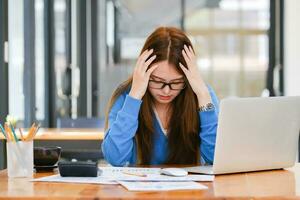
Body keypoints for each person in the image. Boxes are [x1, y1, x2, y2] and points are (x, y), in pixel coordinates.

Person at [102, 27, 219, 166]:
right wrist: (134, 98)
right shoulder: (127, 96)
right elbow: (115, 158)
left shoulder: (203, 96)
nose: (166, 91)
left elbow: (215, 158)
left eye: (176, 82)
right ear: (143, 70)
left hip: (192, 187)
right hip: (140, 187)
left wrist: (203, 95)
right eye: (157, 81)